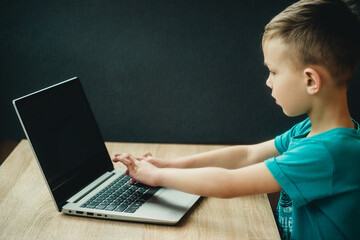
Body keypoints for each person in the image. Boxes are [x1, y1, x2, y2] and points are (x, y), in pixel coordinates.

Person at [112, 0, 360, 239]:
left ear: (310, 81)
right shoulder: (314, 131)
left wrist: (155, 176)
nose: (268, 81)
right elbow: (247, 155)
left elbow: (229, 183)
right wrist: (169, 165)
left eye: (273, 71)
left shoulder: (328, 154)